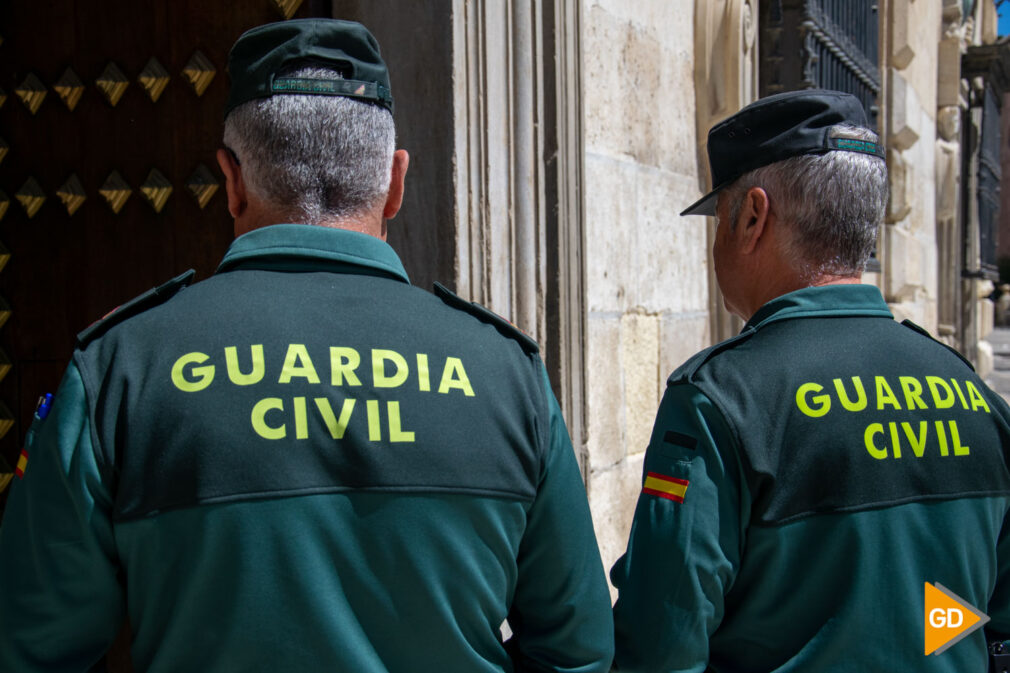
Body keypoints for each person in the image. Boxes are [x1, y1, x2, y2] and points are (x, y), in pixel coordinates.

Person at [0, 19, 613, 673]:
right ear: (396, 181)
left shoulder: (121, 371)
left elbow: (34, 649)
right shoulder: (506, 374)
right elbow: (578, 649)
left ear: (230, 181)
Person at [610, 89, 1010, 672]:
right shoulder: (971, 392)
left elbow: (663, 641)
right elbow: (997, 623)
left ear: (752, 216)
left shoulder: (719, 399)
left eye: (720, 220)